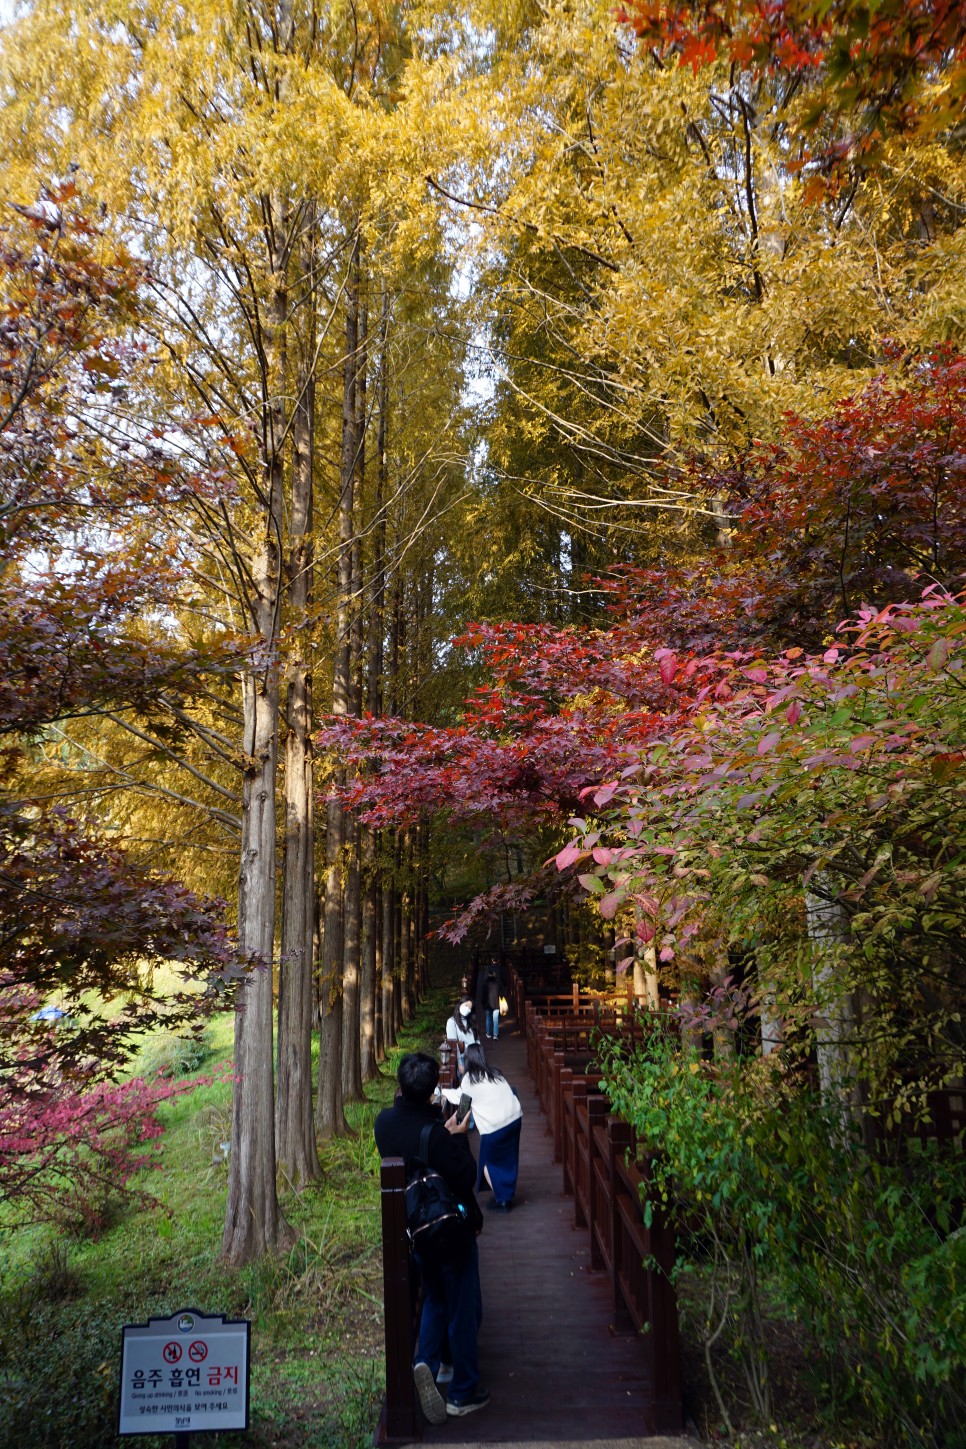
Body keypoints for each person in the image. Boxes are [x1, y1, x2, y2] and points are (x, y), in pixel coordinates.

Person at [374, 1052, 490, 1423]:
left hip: (412, 1231)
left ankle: (428, 1362)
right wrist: (456, 1137)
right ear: (430, 1094)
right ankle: (462, 1392)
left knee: (436, 1298)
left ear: (399, 1087)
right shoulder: (437, 1136)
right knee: (460, 1306)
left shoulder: (384, 1124)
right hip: (448, 1232)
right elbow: (466, 1176)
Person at [442, 1042, 522, 1211]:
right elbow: (465, 1106)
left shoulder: (470, 1080)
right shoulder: (495, 1074)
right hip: (514, 1119)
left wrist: (441, 1091)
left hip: (496, 1127)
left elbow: (459, 1100)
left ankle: (503, 1200)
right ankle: (504, 1196)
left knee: (488, 1163)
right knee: (509, 1160)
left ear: (467, 1060)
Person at [445, 999, 480, 1077]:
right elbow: (453, 1045)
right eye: (466, 1005)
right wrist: (460, 1064)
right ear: (460, 1004)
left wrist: (480, 1057)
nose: (468, 1009)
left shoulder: (471, 1021)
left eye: (470, 1008)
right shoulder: (452, 1022)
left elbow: (477, 1040)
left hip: (475, 1057)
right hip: (463, 1058)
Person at [476, 958, 505, 1040]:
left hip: (487, 1004)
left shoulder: (485, 985)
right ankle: (495, 1034)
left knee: (488, 1018)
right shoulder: (498, 984)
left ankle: (488, 1033)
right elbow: (501, 994)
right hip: (496, 1003)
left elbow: (483, 995)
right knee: (495, 1019)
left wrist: (482, 1003)